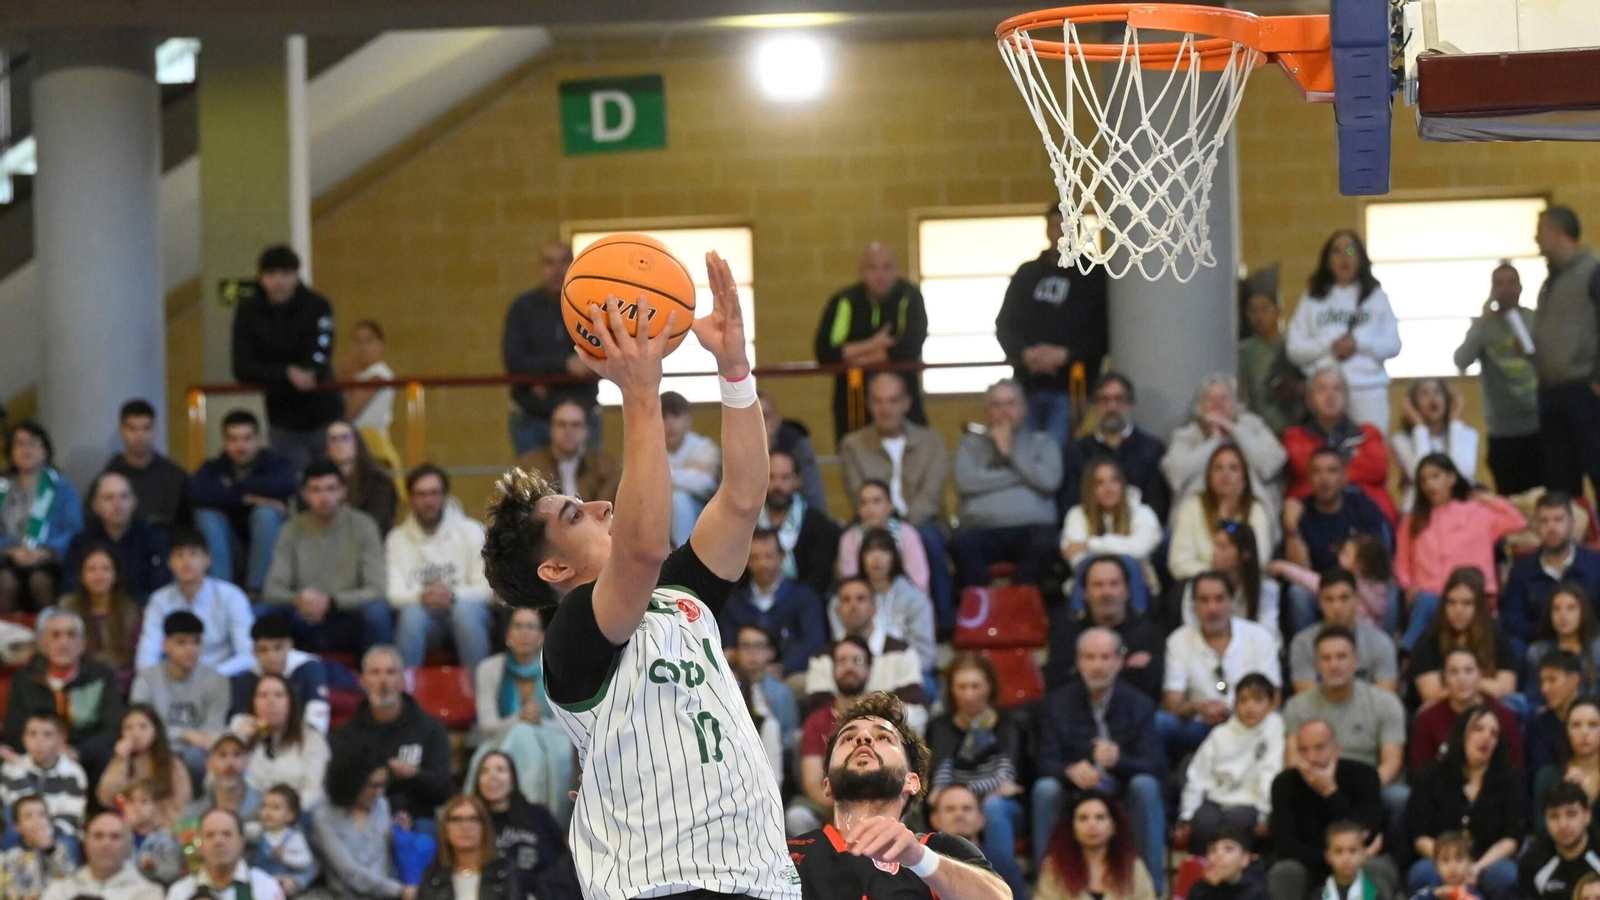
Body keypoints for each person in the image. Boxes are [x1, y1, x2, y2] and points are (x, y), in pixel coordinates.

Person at [480, 254, 802, 898]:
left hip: (759, 873)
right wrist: (638, 390)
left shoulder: (680, 591)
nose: (600, 505)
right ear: (555, 568)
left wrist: (734, 368)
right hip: (658, 881)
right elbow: (642, 546)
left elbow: (742, 496)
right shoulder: (571, 639)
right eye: (575, 513)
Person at [786, 692, 1009, 900]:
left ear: (910, 781)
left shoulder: (939, 849)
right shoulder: (786, 854)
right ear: (828, 785)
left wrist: (919, 859)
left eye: (883, 738)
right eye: (847, 738)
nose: (863, 737)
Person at [1034, 628, 1167, 894]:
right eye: (1090, 657)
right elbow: (1041, 761)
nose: (1097, 666)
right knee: (1045, 789)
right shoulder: (1056, 704)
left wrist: (1120, 760)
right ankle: (1046, 885)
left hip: (1121, 789)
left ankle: (1152, 888)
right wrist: (1068, 770)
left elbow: (1154, 765)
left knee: (1146, 786)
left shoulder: (1139, 704)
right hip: (1074, 793)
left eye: (1105, 657)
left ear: (1119, 661)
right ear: (1079, 661)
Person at [838, 372, 952, 628]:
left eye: (893, 401)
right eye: (878, 401)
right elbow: (857, 492)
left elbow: (931, 497)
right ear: (869, 404)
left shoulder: (931, 441)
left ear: (907, 403)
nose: (885, 408)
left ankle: (941, 622)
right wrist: (878, 519)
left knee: (927, 539)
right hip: (869, 521)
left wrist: (901, 527)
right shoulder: (853, 445)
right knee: (847, 541)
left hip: (921, 521)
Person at [995, 203, 1110, 448]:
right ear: (1047, 231)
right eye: (1055, 226)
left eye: (1066, 227)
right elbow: (1004, 324)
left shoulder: (1094, 275)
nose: (1060, 233)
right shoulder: (1027, 274)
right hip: (1027, 386)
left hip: (1072, 388)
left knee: (1060, 454)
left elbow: (1103, 333)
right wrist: (1025, 353)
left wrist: (1066, 355)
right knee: (1023, 450)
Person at [261, 459, 391, 655]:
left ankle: (377, 674)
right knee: (261, 612)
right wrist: (298, 599)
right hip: (302, 617)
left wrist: (331, 602)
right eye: (316, 490)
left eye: (331, 489)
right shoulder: (291, 529)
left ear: (343, 491)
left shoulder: (364, 525)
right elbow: (272, 590)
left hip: (347, 616)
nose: (324, 497)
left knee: (377, 612)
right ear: (304, 494)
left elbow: (376, 589)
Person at [231, 244, 342, 469]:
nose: (278, 282)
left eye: (285, 274)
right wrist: (286, 373)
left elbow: (322, 349)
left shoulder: (317, 306)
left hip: (324, 411)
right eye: (271, 275)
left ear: (296, 275)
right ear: (261, 277)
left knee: (333, 477)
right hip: (283, 416)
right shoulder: (249, 312)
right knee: (296, 482)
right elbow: (242, 366)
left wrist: (310, 372)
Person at [925, 654, 1027, 898]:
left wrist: (961, 792)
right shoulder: (939, 726)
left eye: (975, 686)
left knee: (993, 806)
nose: (969, 694)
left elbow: (1007, 780)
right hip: (957, 799)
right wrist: (957, 796)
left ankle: (998, 880)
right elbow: (937, 776)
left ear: (989, 687)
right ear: (951, 690)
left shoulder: (1009, 723)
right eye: (962, 687)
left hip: (1003, 806)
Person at [1396, 459, 1525, 650]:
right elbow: (1402, 560)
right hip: (1430, 594)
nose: (1429, 484)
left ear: (1451, 478)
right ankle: (1407, 652)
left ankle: (1405, 650)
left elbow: (1517, 522)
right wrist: (1408, 586)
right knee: (1427, 603)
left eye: (1435, 476)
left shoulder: (1477, 513)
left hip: (1472, 594)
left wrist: (1489, 499)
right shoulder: (1413, 520)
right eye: (1423, 480)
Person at [949, 378, 1064, 588]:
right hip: (980, 528)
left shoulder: (1044, 442)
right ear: (987, 411)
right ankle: (983, 608)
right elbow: (966, 483)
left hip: (1034, 528)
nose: (1004, 411)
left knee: (1046, 545)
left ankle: (1021, 605)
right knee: (960, 544)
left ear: (1024, 409)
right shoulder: (969, 444)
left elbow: (1049, 482)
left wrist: (1009, 453)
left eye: (1011, 403)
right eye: (997, 404)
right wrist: (1023, 475)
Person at [1267, 720, 1398, 900]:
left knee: (1377, 867)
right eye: (1303, 750)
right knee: (1284, 871)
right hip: (1310, 865)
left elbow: (1367, 833)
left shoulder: (1364, 775)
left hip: (1358, 859)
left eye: (1319, 748)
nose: (1311, 758)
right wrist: (1333, 859)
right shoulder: (1284, 783)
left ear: (1337, 748)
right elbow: (1285, 845)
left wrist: (1330, 792)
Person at [1285, 229, 1402, 432]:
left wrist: (1358, 345)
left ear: (1361, 257)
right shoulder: (1312, 298)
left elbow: (1393, 345)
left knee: (1369, 453)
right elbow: (1294, 349)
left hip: (1368, 391)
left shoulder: (1376, 297)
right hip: (1323, 394)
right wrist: (1328, 346)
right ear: (1327, 259)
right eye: (1336, 251)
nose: (1344, 258)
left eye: (1350, 250)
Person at [814, 241, 930, 442]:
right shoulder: (844, 301)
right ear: (862, 271)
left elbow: (910, 347)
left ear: (897, 270)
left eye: (887, 267)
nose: (880, 275)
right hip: (853, 400)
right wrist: (875, 344)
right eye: (872, 268)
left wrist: (854, 355)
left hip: (905, 398)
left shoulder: (910, 297)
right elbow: (824, 352)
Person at [1405, 706, 1524, 900]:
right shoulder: (1431, 776)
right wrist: (1448, 863)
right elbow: (1420, 835)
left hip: (1487, 862)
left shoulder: (1510, 781)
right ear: (1462, 734)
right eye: (1478, 729)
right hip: (1441, 860)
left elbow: (1512, 838)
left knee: (1506, 875)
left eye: (1493, 733)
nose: (1486, 737)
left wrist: (1474, 867)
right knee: (1423, 873)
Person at [467, 606, 575, 818]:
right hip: (499, 740)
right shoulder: (488, 669)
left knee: (528, 735)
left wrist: (537, 722)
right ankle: (530, 814)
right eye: (517, 626)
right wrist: (519, 719)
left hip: (552, 740)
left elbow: (568, 723)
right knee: (522, 734)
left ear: (542, 635)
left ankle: (532, 817)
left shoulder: (559, 668)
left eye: (531, 627)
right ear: (508, 634)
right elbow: (487, 725)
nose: (524, 633)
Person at [330, 646, 452, 830]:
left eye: (390, 672)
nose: (383, 680)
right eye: (375, 673)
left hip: (416, 821)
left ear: (403, 681)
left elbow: (443, 791)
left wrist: (413, 775)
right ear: (362, 681)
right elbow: (336, 792)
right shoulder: (345, 735)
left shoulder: (431, 729)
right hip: (360, 821)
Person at [1160, 573, 1280, 757]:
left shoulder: (1259, 637)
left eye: (1219, 599)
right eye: (1204, 600)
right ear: (1193, 606)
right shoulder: (1178, 640)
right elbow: (1173, 703)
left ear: (1232, 602)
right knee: (1161, 723)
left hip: (1250, 724)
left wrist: (1235, 711)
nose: (1212, 608)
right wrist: (1199, 707)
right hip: (1200, 725)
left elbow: (1274, 698)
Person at [386, 463, 492, 670]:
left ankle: (481, 694)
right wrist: (422, 596)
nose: (428, 501)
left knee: (465, 613)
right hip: (422, 618)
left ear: (445, 495)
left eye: (434, 493)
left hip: (466, 614)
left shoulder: (471, 531)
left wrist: (451, 595)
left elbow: (488, 590)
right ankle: (406, 695)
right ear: (410, 498)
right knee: (411, 616)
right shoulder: (396, 539)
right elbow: (392, 593)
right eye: (420, 494)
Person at [1282, 627, 1407, 801]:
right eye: (1326, 658)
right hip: (1314, 785)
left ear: (1355, 661)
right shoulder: (1297, 706)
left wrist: (1359, 790)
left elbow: (1392, 763)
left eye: (1341, 657)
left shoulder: (1385, 703)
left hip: (1368, 786)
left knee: (1399, 798)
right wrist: (1323, 787)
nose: (1334, 665)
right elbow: (1294, 761)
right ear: (1316, 665)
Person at [1454, 263, 1544, 494]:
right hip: (1502, 429)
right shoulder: (1484, 326)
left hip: (1539, 423)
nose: (1506, 289)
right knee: (1510, 498)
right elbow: (1461, 360)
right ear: (1492, 289)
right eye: (1499, 284)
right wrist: (1482, 320)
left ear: (1521, 287)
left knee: (1541, 496)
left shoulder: (1535, 319)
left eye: (1511, 283)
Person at [502, 240, 598, 456]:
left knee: (587, 487)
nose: (557, 270)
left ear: (573, 264)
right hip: (533, 416)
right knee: (534, 487)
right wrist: (564, 365)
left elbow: (598, 355)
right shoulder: (522, 308)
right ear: (540, 267)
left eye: (564, 261)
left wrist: (544, 378)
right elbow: (514, 361)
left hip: (583, 414)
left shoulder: (589, 305)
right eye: (549, 262)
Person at [3, 609, 123, 778]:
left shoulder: (101, 676)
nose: (64, 642)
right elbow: (14, 730)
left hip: (88, 760)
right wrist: (46, 750)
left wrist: (79, 752)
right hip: (35, 758)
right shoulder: (24, 679)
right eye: (55, 635)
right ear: (43, 643)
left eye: (71, 635)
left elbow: (112, 728)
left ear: (82, 644)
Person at [1531, 206, 1600, 499]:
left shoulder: (1592, 272)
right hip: (1551, 392)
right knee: (1561, 480)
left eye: (1541, 230)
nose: (1536, 238)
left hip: (1585, 390)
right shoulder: (1550, 281)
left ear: (1559, 232)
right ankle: (1573, 544)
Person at [190, 409, 296, 591]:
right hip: (230, 550)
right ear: (224, 442)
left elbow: (286, 484)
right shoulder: (213, 468)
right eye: (234, 439)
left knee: (265, 514)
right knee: (206, 516)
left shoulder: (276, 464)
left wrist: (231, 490)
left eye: (247, 438)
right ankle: (221, 594)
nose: (241, 446)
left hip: (273, 552)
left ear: (258, 440)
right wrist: (248, 498)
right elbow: (196, 493)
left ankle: (256, 591)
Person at [1176, 672, 1283, 853]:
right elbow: (1198, 776)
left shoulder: (1276, 729)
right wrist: (1186, 816)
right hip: (1216, 800)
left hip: (1251, 804)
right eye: (1243, 701)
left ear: (1271, 704)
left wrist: (1265, 815)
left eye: (1258, 701)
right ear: (1235, 705)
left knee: (1236, 824)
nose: (1250, 707)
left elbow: (1270, 774)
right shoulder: (1220, 734)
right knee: (1202, 822)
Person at [1283, 366, 1398, 528]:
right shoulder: (1294, 436)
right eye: (1322, 389)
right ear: (1309, 399)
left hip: (1367, 513)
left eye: (1337, 389)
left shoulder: (1368, 433)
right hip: (1313, 516)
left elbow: (1377, 468)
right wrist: (1352, 463)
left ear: (1346, 397)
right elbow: (1303, 467)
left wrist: (1328, 472)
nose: (1330, 396)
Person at [806, 578, 928, 729]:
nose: (853, 606)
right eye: (846, 600)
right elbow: (819, 715)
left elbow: (916, 713)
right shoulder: (822, 657)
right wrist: (877, 707)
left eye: (861, 599)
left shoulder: (902, 652)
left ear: (874, 607)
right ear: (838, 610)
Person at [137, 527, 256, 677]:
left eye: (194, 554)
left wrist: (208, 679)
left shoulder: (231, 596)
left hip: (222, 677)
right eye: (179, 555)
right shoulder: (159, 600)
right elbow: (148, 652)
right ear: (169, 563)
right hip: (174, 679)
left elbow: (248, 654)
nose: (187, 562)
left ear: (208, 560)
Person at [1162, 374, 1287, 516]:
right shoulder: (1186, 435)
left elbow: (1269, 465)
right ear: (1200, 407)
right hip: (1198, 518)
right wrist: (1214, 441)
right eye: (1210, 399)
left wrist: (1232, 428)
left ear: (1236, 405)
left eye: (1225, 398)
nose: (1217, 404)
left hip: (1251, 517)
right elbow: (1176, 475)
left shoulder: (1253, 426)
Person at [130, 611, 231, 784]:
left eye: (196, 642)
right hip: (156, 748)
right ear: (165, 645)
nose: (190, 649)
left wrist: (189, 739)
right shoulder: (146, 679)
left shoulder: (217, 681)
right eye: (181, 642)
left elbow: (213, 731)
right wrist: (184, 734)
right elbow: (139, 727)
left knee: (197, 758)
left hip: (199, 752)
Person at [788, 635, 875, 836]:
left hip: (877, 804)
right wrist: (844, 810)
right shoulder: (817, 721)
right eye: (842, 661)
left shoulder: (883, 720)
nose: (849, 667)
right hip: (828, 804)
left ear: (869, 669)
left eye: (857, 660)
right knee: (796, 817)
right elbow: (812, 782)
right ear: (833, 669)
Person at [1047, 556, 1165, 700]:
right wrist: (1125, 669)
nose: (1106, 593)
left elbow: (1152, 689)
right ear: (1084, 593)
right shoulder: (1066, 634)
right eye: (1098, 585)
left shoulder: (1149, 634)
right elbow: (1057, 685)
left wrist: (1087, 673)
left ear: (1127, 590)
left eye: (1114, 584)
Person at [471, 750, 583, 898]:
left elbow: (561, 857)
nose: (492, 777)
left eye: (500, 770)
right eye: (485, 771)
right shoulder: (471, 820)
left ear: (513, 778)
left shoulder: (538, 814)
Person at [1060, 373, 1171, 523]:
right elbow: (1071, 502)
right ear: (1095, 406)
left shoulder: (1152, 448)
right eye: (1104, 400)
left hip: (1141, 533)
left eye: (1119, 399)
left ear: (1130, 404)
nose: (1112, 407)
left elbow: (1157, 504)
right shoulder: (1076, 451)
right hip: (1090, 531)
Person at [1410, 569, 1522, 714]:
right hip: (1446, 710)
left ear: (1479, 606)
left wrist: (1464, 687)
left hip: (1487, 711)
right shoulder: (1428, 640)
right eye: (1451, 602)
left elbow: (1506, 687)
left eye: (1466, 603)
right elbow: (1431, 694)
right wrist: (1477, 687)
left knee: (1515, 703)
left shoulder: (1496, 636)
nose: (1458, 610)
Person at [720, 529, 827, 678]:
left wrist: (784, 668)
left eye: (768, 556)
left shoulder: (804, 597)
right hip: (743, 676)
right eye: (755, 558)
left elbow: (814, 641)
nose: (762, 563)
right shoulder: (734, 602)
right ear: (746, 560)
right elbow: (728, 643)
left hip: (790, 675)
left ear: (781, 557)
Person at [0, 421, 83, 611]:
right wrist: (9, 550)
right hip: (7, 557)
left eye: (33, 443)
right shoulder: (1, 487)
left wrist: (46, 551)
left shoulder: (62, 487)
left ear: (45, 450)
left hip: (48, 558)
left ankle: (51, 632)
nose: (26, 449)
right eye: (20, 444)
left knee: (39, 580)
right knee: (5, 581)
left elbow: (75, 529)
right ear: (10, 452)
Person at [1502, 491, 1600, 647]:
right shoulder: (1522, 570)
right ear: (1536, 527)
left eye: (1558, 519)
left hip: (1590, 642)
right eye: (1544, 521)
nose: (1551, 527)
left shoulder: (1595, 564)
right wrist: (1549, 633)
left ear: (1572, 524)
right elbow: (1512, 618)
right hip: (1540, 643)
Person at [836, 530, 937, 683]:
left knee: (926, 686)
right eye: (870, 551)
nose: (876, 558)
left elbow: (925, 656)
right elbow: (839, 645)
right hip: (856, 675)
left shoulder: (915, 600)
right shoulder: (842, 601)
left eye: (883, 550)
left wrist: (887, 674)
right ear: (861, 558)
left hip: (905, 673)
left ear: (894, 557)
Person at [310, 748, 410, 899]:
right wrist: (401, 891)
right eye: (371, 785)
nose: (378, 792)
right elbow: (350, 872)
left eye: (382, 785)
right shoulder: (323, 816)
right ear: (350, 783)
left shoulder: (382, 805)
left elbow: (383, 861)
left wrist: (399, 832)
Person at [1409, 647, 1524, 774]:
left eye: (1468, 671)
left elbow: (1515, 769)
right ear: (1445, 679)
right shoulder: (1427, 719)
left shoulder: (1504, 716)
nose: (1462, 679)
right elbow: (1420, 773)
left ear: (1480, 675)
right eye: (1454, 672)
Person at [61, 470, 170, 603]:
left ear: (133, 502)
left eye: (124, 497)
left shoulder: (153, 538)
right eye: (109, 498)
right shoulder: (80, 542)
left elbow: (161, 584)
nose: (117, 504)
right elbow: (71, 583)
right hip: (92, 609)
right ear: (96, 505)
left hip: (142, 609)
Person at [1286, 569, 1399, 695]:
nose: (1337, 607)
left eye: (1344, 598)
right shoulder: (1303, 643)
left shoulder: (1380, 643)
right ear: (1319, 603)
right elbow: (1305, 697)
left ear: (1356, 599)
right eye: (1329, 599)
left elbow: (1385, 697)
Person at [1035, 789, 1158, 900]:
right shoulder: (1054, 867)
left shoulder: (1133, 867)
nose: (1092, 825)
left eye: (1100, 817)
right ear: (1072, 827)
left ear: (1113, 826)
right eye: (1083, 818)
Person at [1059, 459, 1162, 589]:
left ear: (1122, 484)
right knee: (1087, 573)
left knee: (1131, 567)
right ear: (1090, 489)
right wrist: (1122, 550)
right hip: (1091, 585)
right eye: (1099, 483)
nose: (1108, 488)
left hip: (1135, 582)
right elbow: (1077, 559)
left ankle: (1138, 610)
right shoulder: (1077, 514)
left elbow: (1140, 548)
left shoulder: (1143, 512)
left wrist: (1089, 544)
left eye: (1114, 481)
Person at [234, 673, 330, 812]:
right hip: (249, 816)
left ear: (290, 702)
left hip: (298, 815)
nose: (271, 701)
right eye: (263, 695)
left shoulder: (312, 739)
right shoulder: (240, 736)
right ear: (253, 703)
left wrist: (282, 813)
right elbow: (223, 784)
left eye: (278, 695)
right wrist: (238, 742)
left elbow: (315, 790)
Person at [1177, 520, 1281, 640]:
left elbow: (1269, 634)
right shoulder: (1197, 586)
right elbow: (1191, 630)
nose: (1214, 552)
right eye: (1214, 545)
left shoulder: (1267, 589)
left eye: (1222, 547)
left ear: (1245, 554)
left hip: (1253, 653)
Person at [102, 398, 192, 535]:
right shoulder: (109, 478)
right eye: (132, 428)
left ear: (155, 430)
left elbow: (188, 525)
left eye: (146, 428)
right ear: (121, 430)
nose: (140, 436)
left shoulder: (175, 476)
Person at [229, 615, 331, 736]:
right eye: (263, 650)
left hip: (302, 739)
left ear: (290, 645)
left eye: (278, 648)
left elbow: (318, 714)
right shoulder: (247, 678)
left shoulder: (309, 668)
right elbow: (238, 718)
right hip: (260, 740)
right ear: (254, 652)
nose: (271, 656)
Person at [759, 449, 841, 598]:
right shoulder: (747, 524)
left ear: (798, 480)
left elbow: (819, 579)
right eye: (771, 477)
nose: (777, 485)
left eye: (785, 478)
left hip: (803, 605)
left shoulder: (819, 525)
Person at [1391, 378, 1480, 512]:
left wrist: (1455, 422)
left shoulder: (1468, 434)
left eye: (1438, 392)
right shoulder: (1400, 440)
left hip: (1462, 509)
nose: (1432, 398)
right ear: (1413, 405)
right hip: (1421, 510)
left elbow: (1462, 472)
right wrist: (1419, 428)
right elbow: (1423, 475)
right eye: (1425, 394)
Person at [94, 704, 191, 825]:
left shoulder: (172, 764)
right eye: (128, 728)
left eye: (143, 726)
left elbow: (180, 805)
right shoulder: (120, 761)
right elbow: (105, 797)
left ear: (156, 730)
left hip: (164, 829)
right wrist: (120, 760)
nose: (135, 733)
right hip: (127, 829)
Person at [56, 544, 142, 677]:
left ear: (115, 574)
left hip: (120, 681)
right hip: (77, 678)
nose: (99, 575)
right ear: (81, 575)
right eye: (91, 569)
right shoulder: (67, 608)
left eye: (106, 569)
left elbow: (134, 657)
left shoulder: (129, 610)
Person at [515, 397, 621, 504]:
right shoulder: (529, 466)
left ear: (586, 430)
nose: (568, 431)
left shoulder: (607, 468)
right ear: (551, 429)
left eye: (576, 425)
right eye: (561, 424)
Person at [167, 807, 288, 900]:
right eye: (210, 835)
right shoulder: (180, 892)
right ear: (200, 844)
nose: (218, 842)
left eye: (227, 834)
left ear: (242, 841)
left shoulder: (264, 886)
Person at [38, 811, 163, 900]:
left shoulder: (148, 893)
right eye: (98, 836)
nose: (106, 844)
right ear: (85, 843)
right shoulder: (61, 891)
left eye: (115, 836)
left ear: (129, 846)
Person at [414, 795, 519, 900]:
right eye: (456, 819)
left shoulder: (505, 873)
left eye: (473, 819)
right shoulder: (432, 876)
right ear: (445, 830)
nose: (465, 826)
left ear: (485, 828)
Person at [0, 712, 86, 839]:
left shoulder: (73, 773)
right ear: (24, 738)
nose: (39, 741)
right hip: (18, 835)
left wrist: (45, 836)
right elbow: (18, 812)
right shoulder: (12, 768)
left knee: (67, 842)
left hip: (56, 836)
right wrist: (20, 771)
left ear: (61, 739)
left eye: (47, 734)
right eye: (32, 734)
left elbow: (70, 819)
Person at [1519, 781, 1600, 900]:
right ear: (1545, 821)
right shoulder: (1532, 862)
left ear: (1587, 816)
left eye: (1571, 814)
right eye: (1554, 816)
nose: (1563, 825)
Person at [661, 389, 721, 548]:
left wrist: (665, 476)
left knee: (679, 499)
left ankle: (682, 558)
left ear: (689, 420)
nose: (670, 423)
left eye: (676, 415)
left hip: (701, 514)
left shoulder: (704, 447)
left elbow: (706, 484)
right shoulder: (645, 451)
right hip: (658, 514)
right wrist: (690, 470)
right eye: (663, 416)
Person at [730, 624, 802, 756]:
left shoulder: (782, 691)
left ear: (771, 652)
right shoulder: (727, 687)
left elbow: (789, 734)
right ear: (736, 652)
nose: (752, 652)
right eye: (746, 646)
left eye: (759, 646)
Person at [1239, 287, 1301, 435]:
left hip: (1291, 426)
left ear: (1278, 312)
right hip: (1257, 427)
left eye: (1265, 309)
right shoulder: (1244, 351)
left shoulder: (1294, 346)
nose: (1259, 316)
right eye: (1253, 311)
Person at [324, 419, 398, 535]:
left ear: (357, 443)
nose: (339, 444)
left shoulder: (379, 482)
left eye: (345, 438)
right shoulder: (317, 481)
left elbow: (375, 523)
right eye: (333, 439)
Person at [1525, 583, 1600, 698]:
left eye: (1571, 608)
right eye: (1556, 609)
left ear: (1583, 612)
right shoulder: (1537, 652)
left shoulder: (1596, 651)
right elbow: (1532, 699)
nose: (1563, 615)